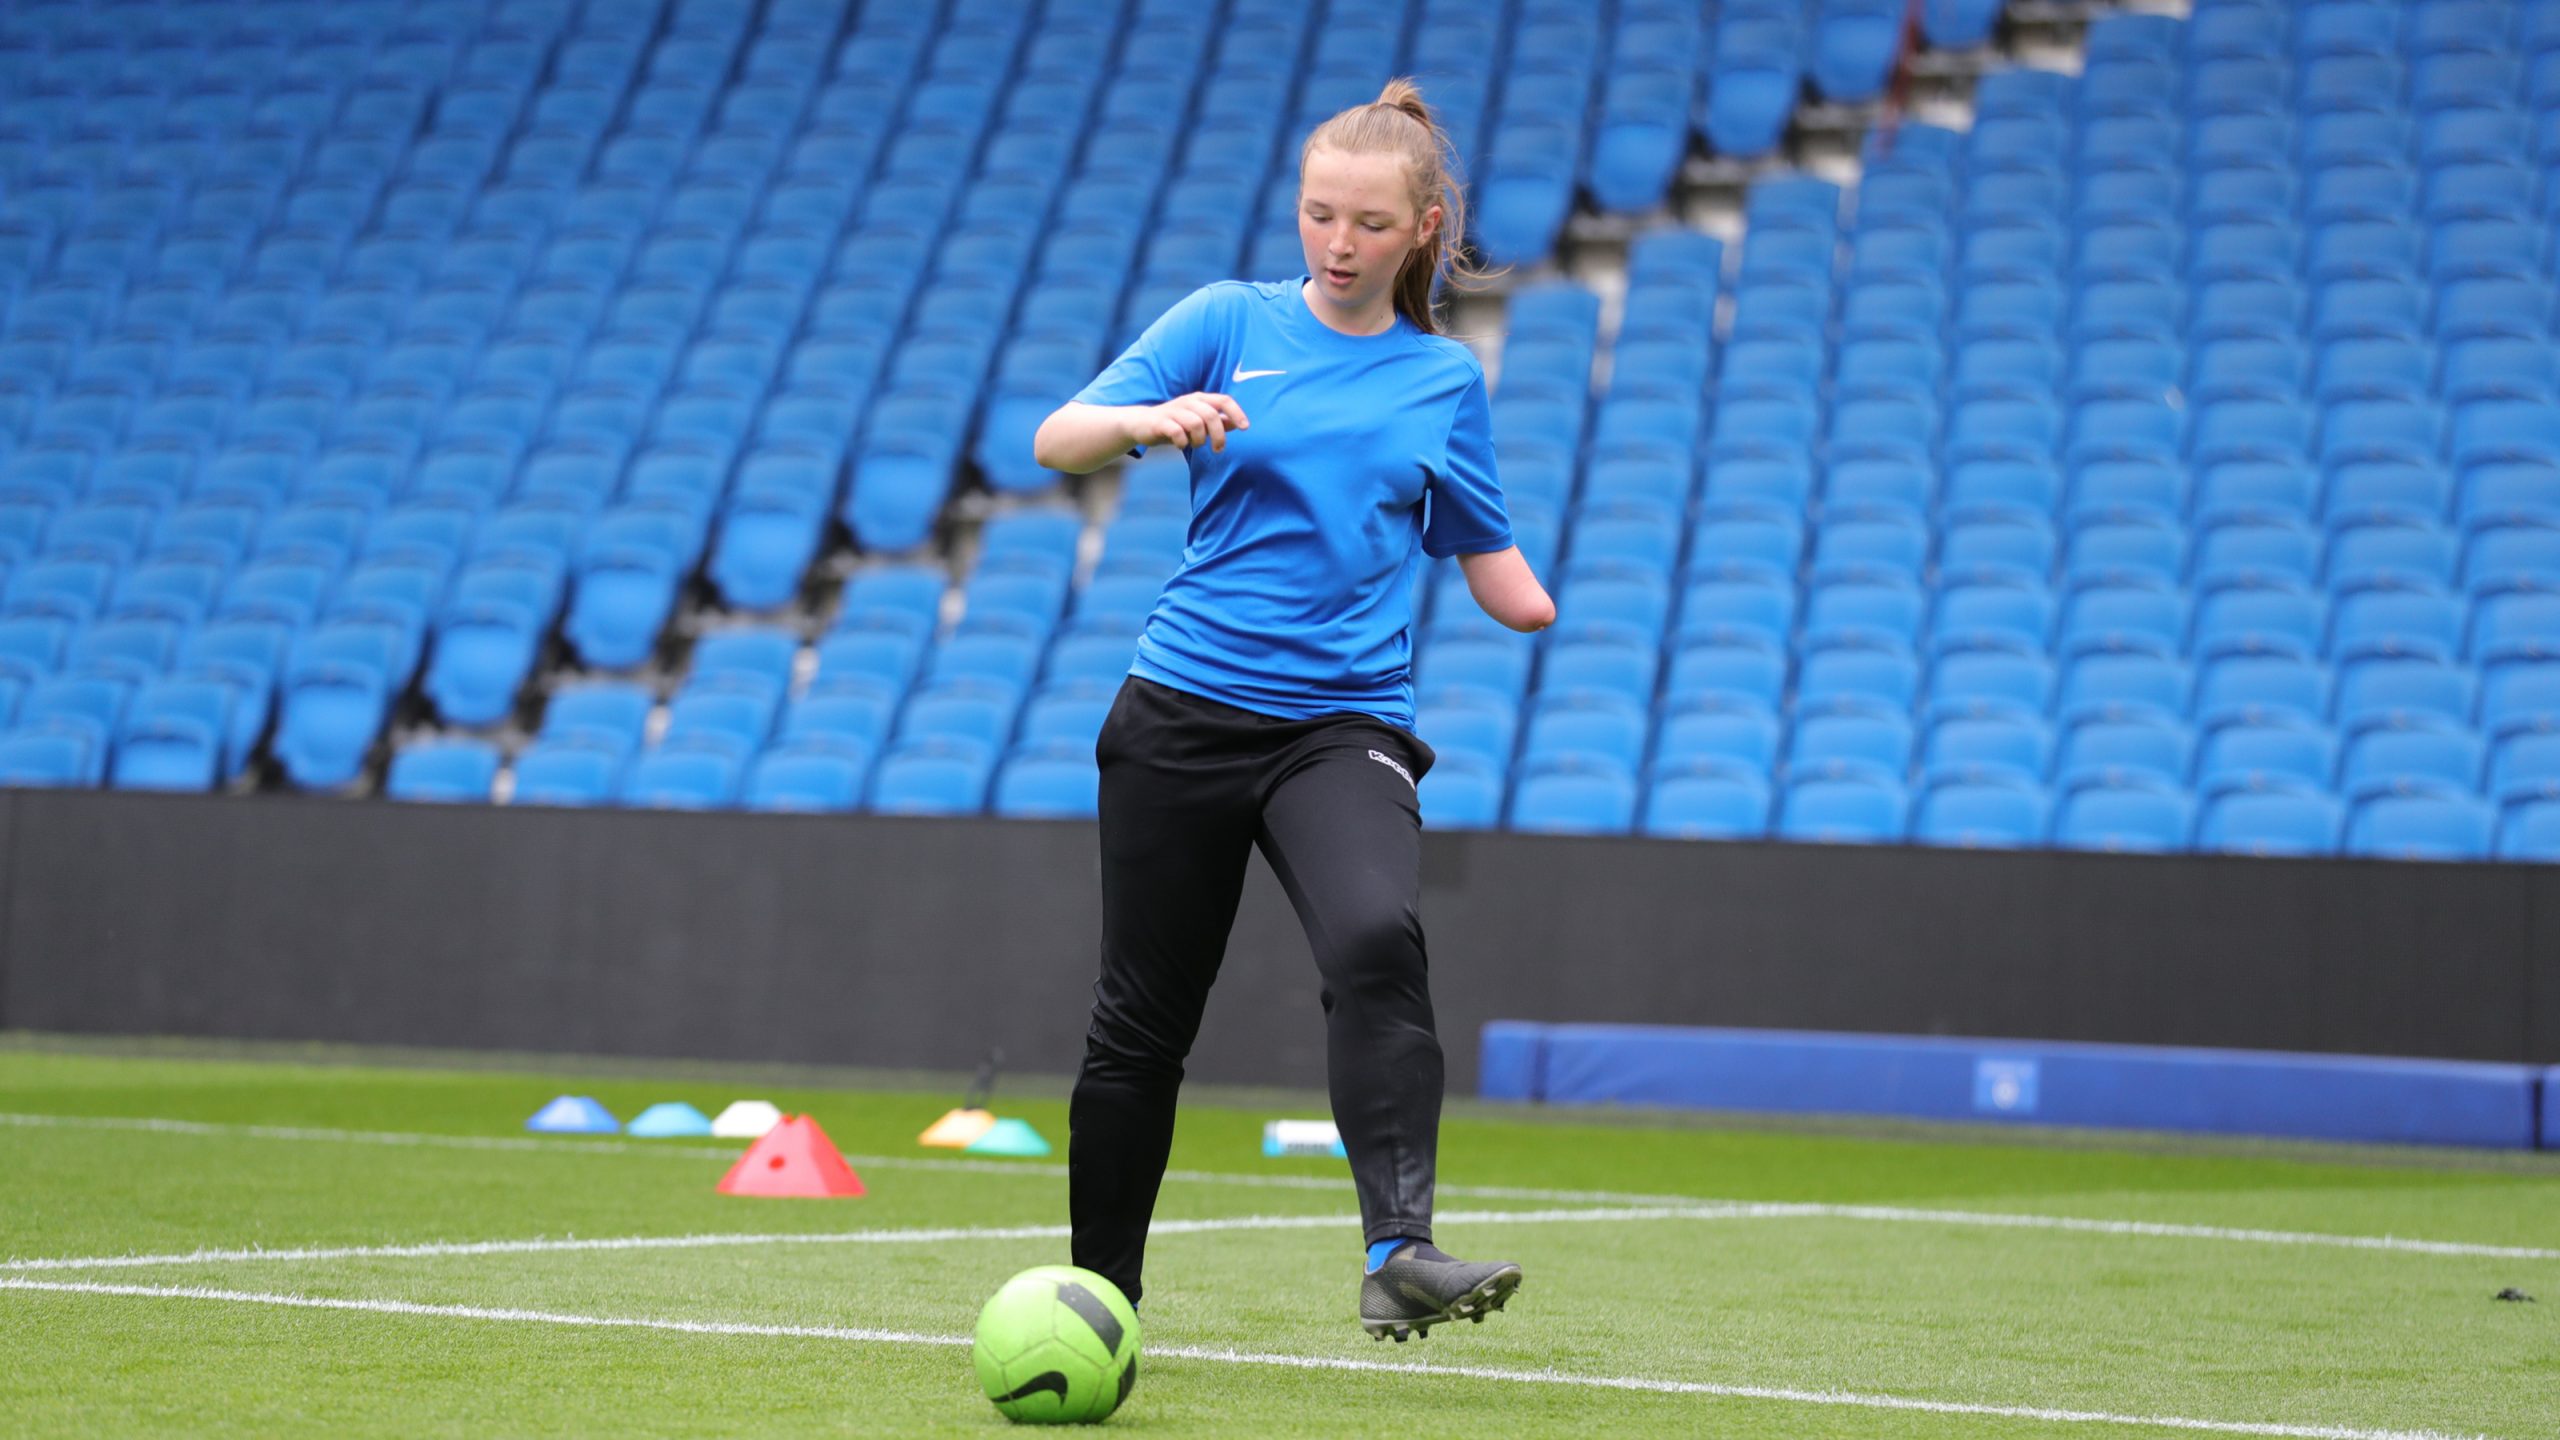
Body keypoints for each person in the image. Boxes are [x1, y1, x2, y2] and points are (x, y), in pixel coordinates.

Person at [1030, 77, 1556, 1342]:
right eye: (1319, 213)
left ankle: (1398, 1251)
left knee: (1378, 934)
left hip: (1341, 727)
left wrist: (1535, 603)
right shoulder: (1225, 319)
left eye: (1368, 223)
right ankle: (1101, 1295)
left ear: (1421, 230)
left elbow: (1492, 564)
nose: (1336, 242)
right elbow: (1058, 439)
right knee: (1142, 1022)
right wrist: (1151, 422)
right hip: (1179, 711)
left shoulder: (1442, 382)